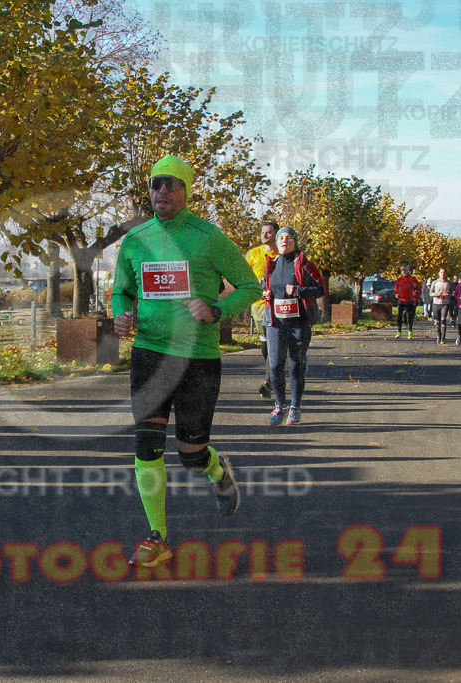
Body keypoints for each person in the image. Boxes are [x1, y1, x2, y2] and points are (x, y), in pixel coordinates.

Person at [112, 154, 260, 568]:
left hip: (197, 357)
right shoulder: (136, 239)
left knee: (191, 453)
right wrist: (121, 314)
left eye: (171, 184)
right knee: (147, 444)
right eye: (156, 184)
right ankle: (157, 536)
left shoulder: (208, 237)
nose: (162, 191)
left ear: (186, 190)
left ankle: (216, 471)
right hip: (150, 353)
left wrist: (216, 309)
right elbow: (121, 291)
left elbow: (249, 285)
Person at [261, 227, 325, 426]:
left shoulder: (303, 263)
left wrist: (299, 290)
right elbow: (266, 286)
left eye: (288, 238)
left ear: (294, 242)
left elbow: (321, 288)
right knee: (275, 366)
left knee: (295, 365)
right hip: (275, 323)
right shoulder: (271, 263)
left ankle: (295, 407)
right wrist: (265, 293)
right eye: (281, 237)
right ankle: (279, 405)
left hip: (298, 323)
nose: (284, 241)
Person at [244, 220, 279, 399]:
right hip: (259, 305)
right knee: (265, 346)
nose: (264, 236)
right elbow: (242, 277)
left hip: (279, 306)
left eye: (269, 232)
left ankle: (269, 381)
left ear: (276, 234)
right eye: (262, 233)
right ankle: (274, 374)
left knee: (274, 344)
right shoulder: (253, 254)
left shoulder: (283, 253)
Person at [393, 265, 420, 339]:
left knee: (410, 316)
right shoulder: (399, 280)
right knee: (399, 316)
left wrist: (416, 286)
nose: (403, 271)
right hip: (401, 300)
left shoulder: (412, 279)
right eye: (402, 270)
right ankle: (399, 331)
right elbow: (396, 288)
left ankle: (410, 331)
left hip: (410, 300)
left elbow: (418, 287)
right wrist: (396, 294)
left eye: (405, 270)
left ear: (408, 271)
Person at [429, 268, 453, 344]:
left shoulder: (448, 283)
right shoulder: (435, 282)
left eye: (444, 272)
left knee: (443, 319)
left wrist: (448, 295)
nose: (443, 274)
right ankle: (439, 336)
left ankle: (443, 338)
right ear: (439, 273)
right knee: (438, 321)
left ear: (446, 274)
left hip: (445, 303)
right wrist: (438, 294)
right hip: (436, 303)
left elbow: (452, 292)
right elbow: (431, 293)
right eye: (441, 272)